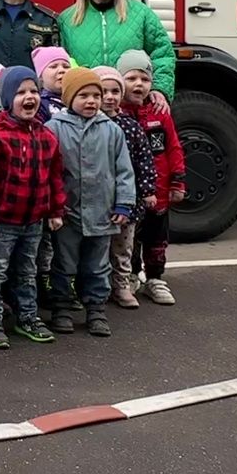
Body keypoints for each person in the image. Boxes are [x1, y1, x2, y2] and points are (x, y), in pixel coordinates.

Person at [0, 65, 65, 349]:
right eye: (21, 92)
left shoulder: (47, 136)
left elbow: (55, 178)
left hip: (33, 219)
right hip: (3, 221)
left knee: (27, 270)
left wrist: (56, 210)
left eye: (34, 91)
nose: (29, 97)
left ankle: (28, 316)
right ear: (8, 98)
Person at [47, 67, 134, 337]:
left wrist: (124, 203)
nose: (92, 101)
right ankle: (61, 307)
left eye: (96, 95)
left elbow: (124, 170)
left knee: (98, 265)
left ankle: (96, 309)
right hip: (68, 213)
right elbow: (50, 172)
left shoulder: (112, 130)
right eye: (83, 95)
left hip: (102, 212)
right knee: (63, 262)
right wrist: (52, 207)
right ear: (69, 98)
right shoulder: (54, 129)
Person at [58, 0, 175, 101]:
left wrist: (160, 89)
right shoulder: (67, 20)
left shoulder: (141, 14)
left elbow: (163, 54)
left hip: (130, 110)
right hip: (87, 110)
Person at [121, 49, 185, 306]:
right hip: (130, 195)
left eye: (145, 79)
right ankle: (131, 276)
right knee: (129, 240)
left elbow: (174, 148)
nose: (139, 84)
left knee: (157, 240)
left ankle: (155, 278)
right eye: (132, 78)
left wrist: (178, 181)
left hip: (158, 194)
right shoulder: (118, 116)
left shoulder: (161, 114)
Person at [97, 66, 157, 310]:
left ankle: (121, 286)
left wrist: (147, 190)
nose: (110, 97)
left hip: (126, 202)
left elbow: (144, 160)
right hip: (97, 201)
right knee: (97, 250)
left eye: (115, 91)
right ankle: (96, 288)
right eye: (104, 92)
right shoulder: (87, 124)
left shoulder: (130, 126)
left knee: (123, 249)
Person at [32, 47, 71, 122]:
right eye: (53, 66)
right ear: (40, 76)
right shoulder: (39, 105)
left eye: (66, 66)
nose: (61, 70)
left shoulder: (80, 99)